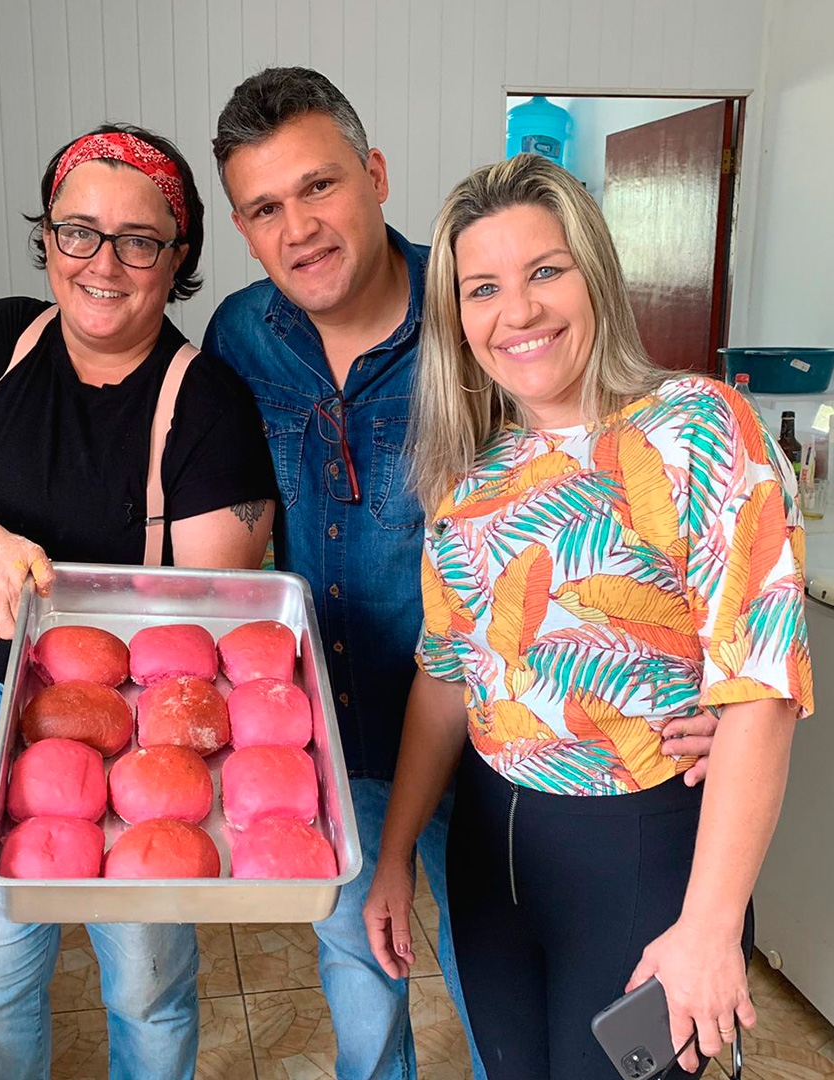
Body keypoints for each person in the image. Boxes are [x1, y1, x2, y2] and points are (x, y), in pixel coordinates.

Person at [204, 68, 718, 1080]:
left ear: (375, 173)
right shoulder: (240, 337)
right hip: (335, 734)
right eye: (265, 209)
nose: (299, 228)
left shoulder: (473, 301)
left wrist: (697, 679)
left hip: (499, 747)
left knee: (506, 1013)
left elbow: (618, 491)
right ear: (243, 228)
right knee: (364, 990)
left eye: (319, 186)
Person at [364, 152, 813, 1079]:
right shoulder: (468, 476)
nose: (518, 311)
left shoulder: (700, 427)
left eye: (545, 270)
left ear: (594, 273)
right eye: (483, 288)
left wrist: (710, 927)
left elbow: (762, 688)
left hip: (643, 860)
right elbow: (444, 680)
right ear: (458, 320)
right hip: (492, 858)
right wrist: (397, 854)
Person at [0, 123, 277, 1080]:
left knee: (145, 989)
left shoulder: (208, 405)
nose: (102, 263)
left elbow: (207, 623)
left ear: (179, 256)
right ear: (47, 238)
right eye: (78, 231)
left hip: (142, 738)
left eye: (138, 240)